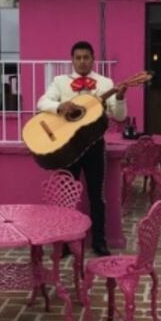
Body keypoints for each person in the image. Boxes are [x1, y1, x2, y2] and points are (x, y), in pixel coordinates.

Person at [37, 40, 127, 257]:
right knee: (67, 198)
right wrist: (60, 106)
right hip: (68, 148)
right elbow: (42, 102)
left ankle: (99, 242)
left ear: (93, 59)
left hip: (95, 146)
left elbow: (119, 116)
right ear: (72, 60)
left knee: (97, 196)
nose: (82, 61)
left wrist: (121, 98)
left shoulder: (105, 83)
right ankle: (66, 243)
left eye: (86, 57)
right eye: (78, 57)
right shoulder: (60, 82)